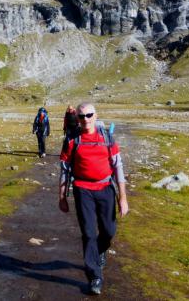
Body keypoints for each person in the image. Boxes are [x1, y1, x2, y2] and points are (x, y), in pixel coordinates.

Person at [58, 103, 129, 296]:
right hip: (83, 190)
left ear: (96, 116)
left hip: (105, 188)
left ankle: (100, 250)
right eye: (81, 116)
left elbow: (118, 167)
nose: (85, 119)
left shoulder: (107, 137)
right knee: (89, 233)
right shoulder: (72, 140)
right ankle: (94, 276)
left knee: (109, 230)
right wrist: (62, 196)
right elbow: (64, 170)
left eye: (89, 115)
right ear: (77, 119)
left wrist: (123, 197)